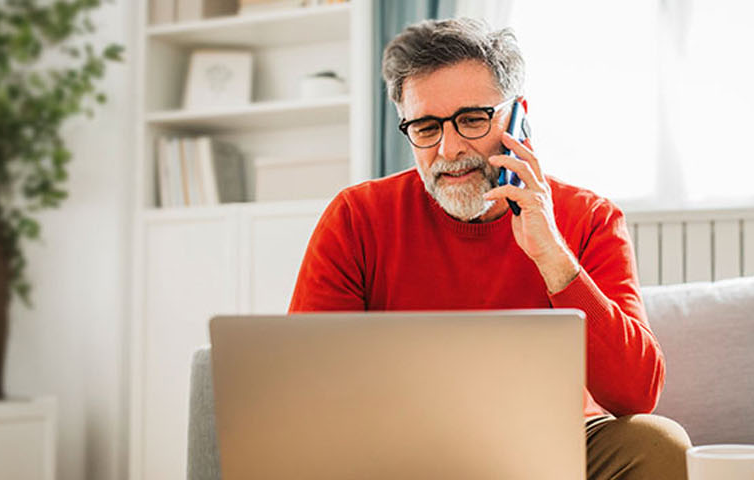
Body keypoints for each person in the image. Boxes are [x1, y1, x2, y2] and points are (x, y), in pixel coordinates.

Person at [286, 17, 691, 480]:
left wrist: (552, 255)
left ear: (518, 117)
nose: (449, 148)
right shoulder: (356, 217)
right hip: (401, 450)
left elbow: (636, 394)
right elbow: (305, 387)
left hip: (552, 446)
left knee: (659, 445)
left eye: (472, 120)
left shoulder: (589, 216)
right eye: (425, 127)